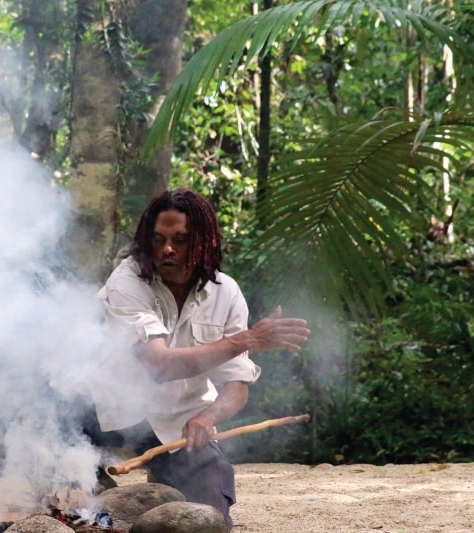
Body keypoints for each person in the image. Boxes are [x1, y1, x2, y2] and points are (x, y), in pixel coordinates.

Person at [87, 187, 310, 529]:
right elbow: (159, 365)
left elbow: (237, 383)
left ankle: (159, 489)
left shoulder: (226, 292)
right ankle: (88, 486)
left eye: (181, 239)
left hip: (179, 423)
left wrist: (208, 417)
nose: (168, 249)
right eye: (158, 239)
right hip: (110, 414)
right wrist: (248, 338)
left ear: (205, 242)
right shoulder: (127, 281)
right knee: (72, 491)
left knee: (208, 518)